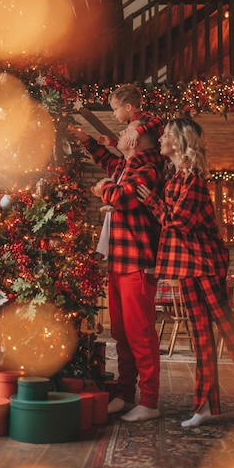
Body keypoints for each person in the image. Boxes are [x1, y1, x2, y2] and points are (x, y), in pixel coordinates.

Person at [137, 117, 234, 431]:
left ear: (180, 141)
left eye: (167, 135)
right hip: (185, 266)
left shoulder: (194, 180)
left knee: (232, 335)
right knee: (201, 338)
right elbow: (171, 222)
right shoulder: (175, 178)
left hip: (207, 265)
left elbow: (179, 223)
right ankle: (205, 406)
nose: (161, 138)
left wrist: (149, 199)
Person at [69, 118, 166, 422]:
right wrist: (88, 142)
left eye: (125, 132)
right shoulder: (128, 165)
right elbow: (111, 164)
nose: (121, 134)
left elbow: (123, 196)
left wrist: (103, 188)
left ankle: (149, 401)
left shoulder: (149, 166)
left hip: (138, 261)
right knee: (121, 332)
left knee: (140, 334)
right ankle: (125, 394)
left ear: (136, 140)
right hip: (119, 260)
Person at [98, 83, 163, 149]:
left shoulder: (142, 117)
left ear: (128, 107)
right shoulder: (133, 121)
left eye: (116, 109)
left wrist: (138, 131)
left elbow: (157, 121)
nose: (114, 113)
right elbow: (129, 143)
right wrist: (111, 142)